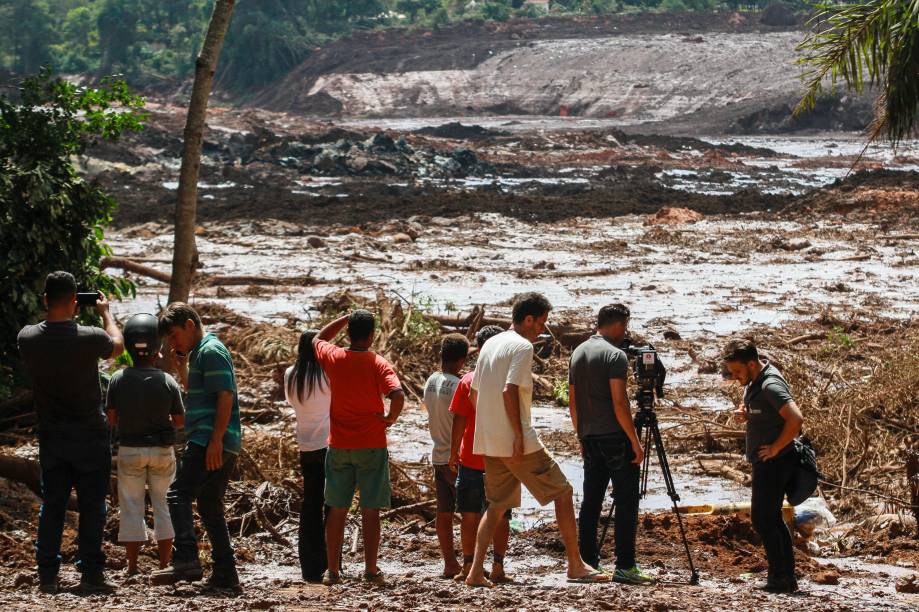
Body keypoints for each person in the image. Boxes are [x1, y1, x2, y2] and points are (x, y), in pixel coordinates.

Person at [465, 293, 609, 587]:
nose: (542, 329)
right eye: (541, 323)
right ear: (528, 319)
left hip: (489, 440)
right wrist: (517, 435)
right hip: (517, 441)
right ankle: (575, 564)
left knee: (495, 506)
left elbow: (474, 394)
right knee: (563, 492)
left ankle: (475, 572)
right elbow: (509, 391)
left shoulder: (490, 343)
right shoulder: (522, 346)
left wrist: (493, 429)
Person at [17, 271, 124, 594]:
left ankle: (47, 575)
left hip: (52, 435)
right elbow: (117, 346)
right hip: (90, 435)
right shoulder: (91, 337)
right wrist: (106, 313)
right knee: (93, 506)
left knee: (54, 504)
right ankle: (91, 573)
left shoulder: (28, 338)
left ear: (46, 299)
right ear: (76, 302)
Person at [152, 303, 242, 591]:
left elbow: (225, 396)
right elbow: (201, 391)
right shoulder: (202, 352)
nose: (173, 343)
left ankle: (187, 558)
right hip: (218, 439)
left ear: (190, 325)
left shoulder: (211, 351)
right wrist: (181, 367)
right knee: (209, 505)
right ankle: (226, 573)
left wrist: (215, 440)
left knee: (178, 494)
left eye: (174, 335)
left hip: (208, 439)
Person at [312, 310, 405, 586]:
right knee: (370, 509)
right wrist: (390, 418)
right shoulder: (378, 363)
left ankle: (332, 570)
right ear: (372, 335)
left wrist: (342, 318)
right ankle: (371, 569)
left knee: (337, 508)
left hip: (339, 444)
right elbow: (397, 395)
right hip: (372, 445)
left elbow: (318, 337)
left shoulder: (334, 357)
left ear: (349, 334)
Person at [569, 304, 652, 585]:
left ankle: (587, 562)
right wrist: (634, 441)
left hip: (590, 436)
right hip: (615, 437)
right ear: (618, 324)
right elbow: (619, 403)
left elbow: (573, 401)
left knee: (591, 501)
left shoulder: (578, 352)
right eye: (625, 327)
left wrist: (581, 434)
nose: (625, 333)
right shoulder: (615, 356)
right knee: (627, 501)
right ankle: (625, 565)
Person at [723, 338, 804, 594]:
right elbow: (765, 411)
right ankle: (783, 576)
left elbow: (796, 419)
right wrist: (746, 414)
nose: (735, 377)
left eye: (737, 371)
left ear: (751, 363)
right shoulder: (756, 380)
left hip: (775, 461)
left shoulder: (770, 384)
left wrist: (776, 447)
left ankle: (781, 577)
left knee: (763, 519)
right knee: (770, 518)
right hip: (768, 460)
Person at [106, 313, 185, 576]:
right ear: (157, 347)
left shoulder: (118, 378)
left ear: (128, 345)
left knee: (131, 506)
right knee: (164, 505)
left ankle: (132, 567)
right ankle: (164, 565)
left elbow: (112, 418)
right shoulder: (167, 381)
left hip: (130, 450)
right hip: (162, 451)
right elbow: (180, 421)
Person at [447, 325, 511, 583]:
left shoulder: (468, 380)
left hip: (472, 458)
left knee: (469, 514)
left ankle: (469, 565)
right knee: (501, 513)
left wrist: (453, 452)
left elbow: (459, 421)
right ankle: (497, 565)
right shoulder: (509, 380)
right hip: (500, 457)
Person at [284, 330, 331, 583]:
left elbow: (292, 404)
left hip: (305, 445)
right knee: (330, 505)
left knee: (309, 504)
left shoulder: (291, 374)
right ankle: (330, 563)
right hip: (328, 445)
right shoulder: (327, 374)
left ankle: (309, 566)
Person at [423, 333, 469, 578]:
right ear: (462, 360)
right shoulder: (460, 386)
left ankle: (450, 563)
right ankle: (471, 561)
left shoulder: (431, 380)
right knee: (471, 512)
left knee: (444, 513)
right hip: (456, 457)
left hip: (438, 455)